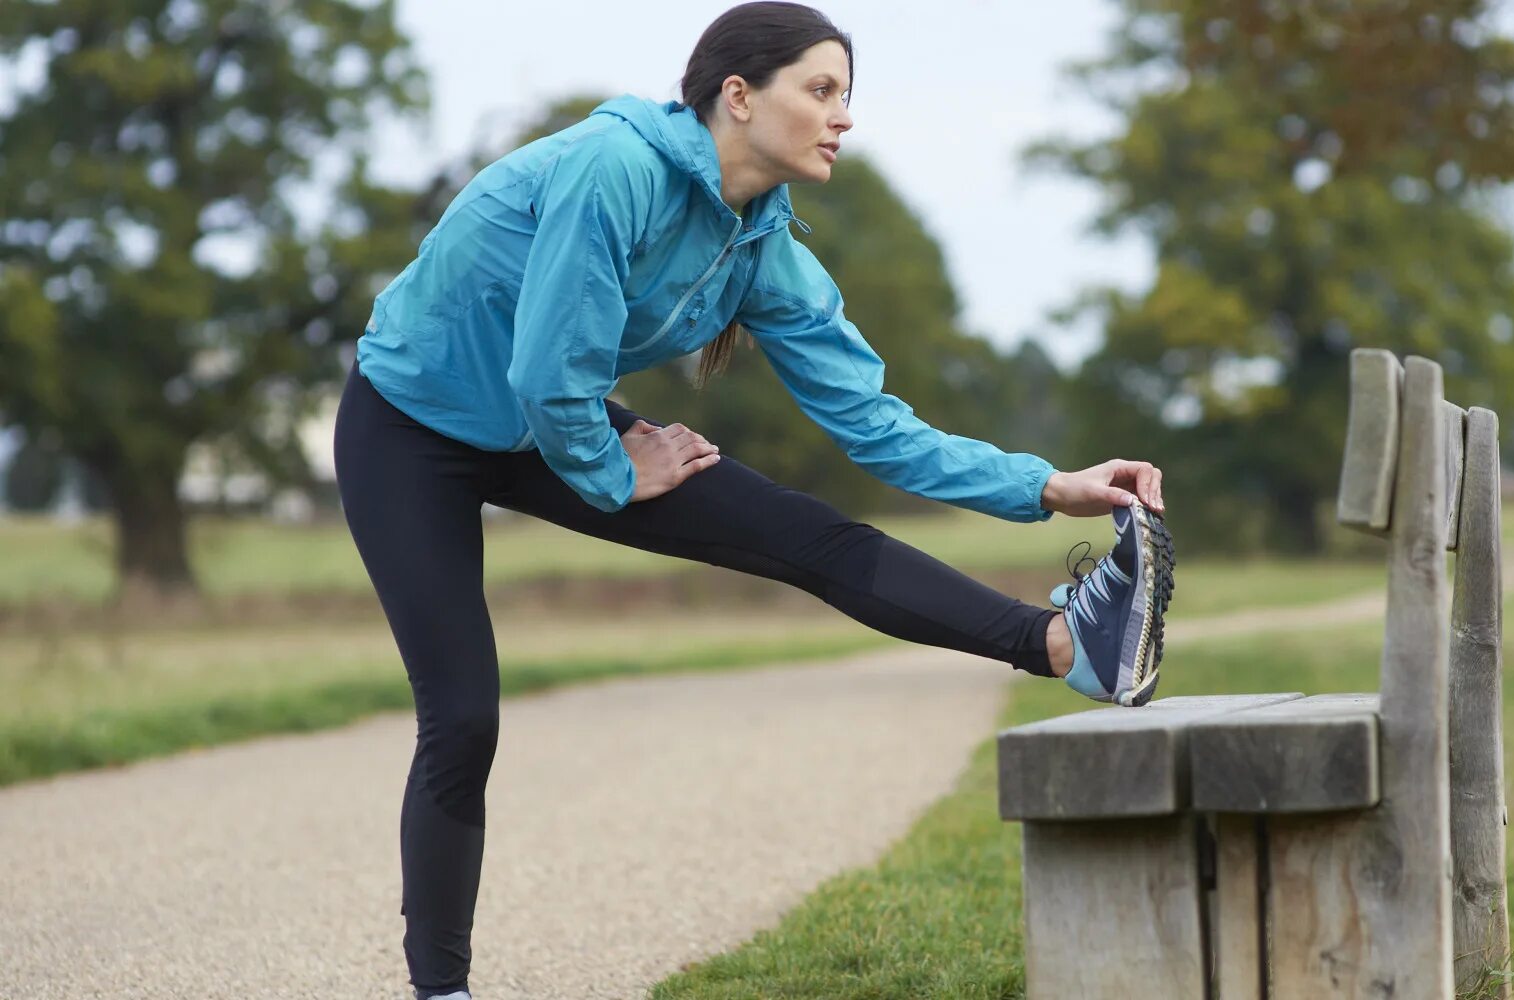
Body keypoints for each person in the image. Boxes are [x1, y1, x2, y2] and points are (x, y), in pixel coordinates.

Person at [332, 3, 1174, 997]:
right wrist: (612, 469)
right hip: (410, 428)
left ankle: (1065, 647)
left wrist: (1044, 484)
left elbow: (874, 425)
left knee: (807, 534)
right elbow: (545, 367)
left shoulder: (761, 247)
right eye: (820, 91)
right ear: (738, 97)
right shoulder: (617, 171)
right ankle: (443, 989)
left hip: (546, 419)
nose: (841, 118)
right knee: (463, 716)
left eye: (845, 97)